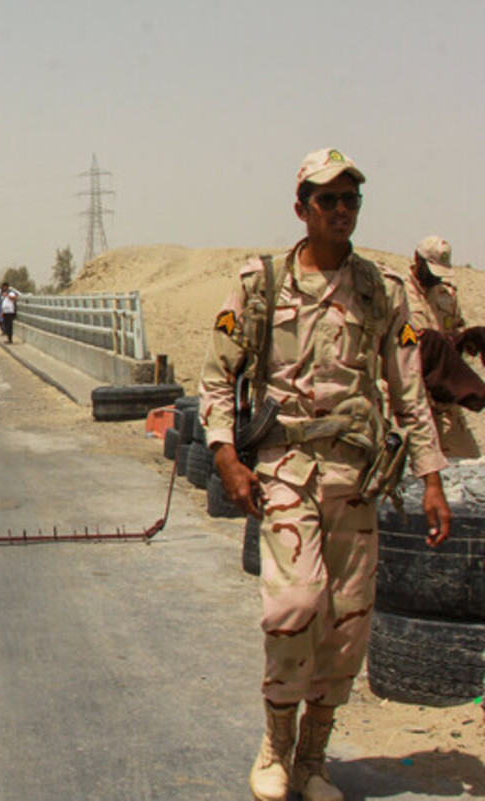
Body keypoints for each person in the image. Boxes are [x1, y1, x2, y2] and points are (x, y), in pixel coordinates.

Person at [199, 147, 451, 801]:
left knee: (346, 625)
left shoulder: (381, 291)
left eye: (350, 200)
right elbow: (217, 374)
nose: (341, 210)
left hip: (356, 476)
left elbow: (408, 389)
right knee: (294, 605)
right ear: (301, 209)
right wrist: (226, 455)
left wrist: (429, 476)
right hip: (285, 469)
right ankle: (275, 747)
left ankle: (313, 759)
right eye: (327, 200)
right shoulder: (261, 285)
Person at [405, 235, 485, 458]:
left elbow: (455, 332)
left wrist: (468, 339)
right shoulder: (397, 294)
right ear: (417, 260)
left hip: (445, 401)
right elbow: (400, 341)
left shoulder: (446, 295)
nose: (435, 278)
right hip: (413, 399)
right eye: (431, 270)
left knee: (469, 463)